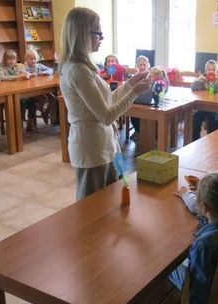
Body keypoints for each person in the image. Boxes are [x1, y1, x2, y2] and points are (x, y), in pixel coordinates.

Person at [59, 7, 150, 200]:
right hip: (91, 150)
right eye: (98, 32)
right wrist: (134, 92)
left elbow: (107, 101)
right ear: (83, 35)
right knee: (92, 209)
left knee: (112, 199)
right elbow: (107, 116)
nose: (102, 37)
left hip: (106, 146)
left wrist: (131, 83)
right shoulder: (77, 71)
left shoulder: (86, 68)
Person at [170, 171, 218, 304]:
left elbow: (199, 290)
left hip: (203, 294)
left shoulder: (204, 245)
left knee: (167, 263)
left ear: (204, 207)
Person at [0, 50, 37, 132]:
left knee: (32, 100)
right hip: (9, 95)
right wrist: (16, 77)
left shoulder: (16, 67)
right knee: (22, 102)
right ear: (5, 59)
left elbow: (24, 73)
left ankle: (30, 123)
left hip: (19, 92)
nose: (12, 61)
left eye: (14, 59)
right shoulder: (2, 68)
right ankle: (20, 125)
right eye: (10, 59)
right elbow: (2, 78)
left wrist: (27, 75)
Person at [191, 60, 218, 140]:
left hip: (214, 107)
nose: (211, 72)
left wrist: (216, 82)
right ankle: (195, 139)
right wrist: (199, 80)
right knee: (195, 118)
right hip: (203, 106)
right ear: (206, 71)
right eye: (209, 70)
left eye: (213, 70)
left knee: (214, 119)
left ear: (217, 72)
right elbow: (193, 87)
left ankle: (211, 139)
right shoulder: (202, 81)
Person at [25, 49, 58, 125]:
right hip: (31, 91)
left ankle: (46, 113)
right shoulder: (26, 68)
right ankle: (43, 111)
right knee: (44, 99)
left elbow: (51, 70)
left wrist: (44, 72)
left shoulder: (39, 66)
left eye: (35, 59)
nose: (33, 61)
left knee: (53, 99)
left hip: (41, 88)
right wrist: (28, 75)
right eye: (31, 59)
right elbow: (24, 76)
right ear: (26, 60)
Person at [129, 55, 151, 141]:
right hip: (135, 100)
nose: (142, 67)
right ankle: (137, 131)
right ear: (137, 66)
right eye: (140, 65)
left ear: (147, 66)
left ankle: (143, 132)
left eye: (144, 65)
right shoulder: (134, 76)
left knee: (144, 113)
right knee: (133, 112)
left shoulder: (150, 76)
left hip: (147, 101)